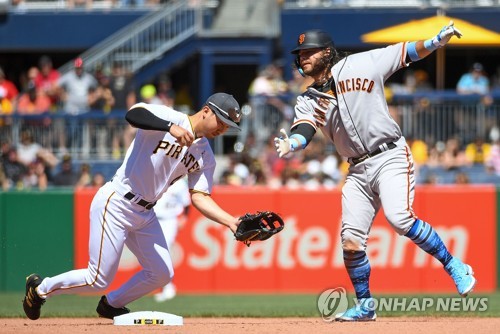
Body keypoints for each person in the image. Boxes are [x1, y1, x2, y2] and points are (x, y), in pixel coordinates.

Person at [274, 23, 475, 322]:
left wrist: (435, 41)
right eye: (300, 53)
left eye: (309, 52)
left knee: (400, 219)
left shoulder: (362, 62)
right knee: (351, 241)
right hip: (356, 169)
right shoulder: (308, 98)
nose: (303, 57)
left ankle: (453, 265)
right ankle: (366, 306)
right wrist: (293, 142)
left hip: (389, 155)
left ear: (327, 52)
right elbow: (305, 128)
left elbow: (405, 52)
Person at [22, 92, 243, 321]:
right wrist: (170, 127)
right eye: (222, 121)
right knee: (98, 279)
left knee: (161, 273)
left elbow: (199, 196)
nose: (223, 129)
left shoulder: (205, 155)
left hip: (145, 213)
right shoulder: (171, 117)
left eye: (228, 126)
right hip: (117, 201)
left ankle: (111, 304)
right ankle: (39, 290)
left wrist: (231, 221)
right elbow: (133, 114)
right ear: (206, 110)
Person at [153, 176, 191, 302]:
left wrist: (184, 218)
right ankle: (166, 286)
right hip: (152, 219)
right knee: (155, 254)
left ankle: (168, 287)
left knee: (164, 251)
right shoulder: (156, 178)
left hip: (169, 220)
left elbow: (186, 204)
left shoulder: (179, 184)